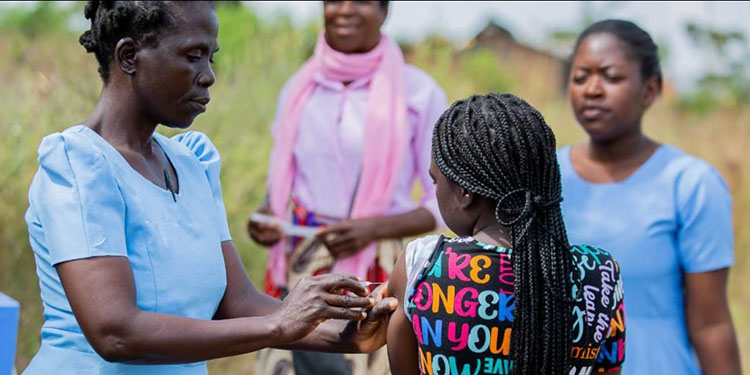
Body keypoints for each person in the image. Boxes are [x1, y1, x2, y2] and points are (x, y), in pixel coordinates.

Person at [22, 2, 395, 374]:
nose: (208, 76)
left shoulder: (191, 164)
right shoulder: (80, 166)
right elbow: (115, 333)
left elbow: (238, 303)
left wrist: (353, 334)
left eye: (210, 58)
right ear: (130, 55)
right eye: (193, 56)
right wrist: (279, 323)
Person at [247, 1, 446, 374]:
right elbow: (289, 184)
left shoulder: (419, 93)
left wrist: (372, 229)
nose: (345, 10)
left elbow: (440, 203)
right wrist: (268, 212)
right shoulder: (298, 90)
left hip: (381, 275)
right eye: (334, 0)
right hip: (304, 267)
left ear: (385, 11)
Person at [386, 93, 626, 375]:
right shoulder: (600, 272)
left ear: (464, 192)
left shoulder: (423, 264)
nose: (435, 190)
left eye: (436, 181)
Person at [559, 19, 742, 374]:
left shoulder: (690, 184)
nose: (592, 89)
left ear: (650, 89)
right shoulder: (545, 178)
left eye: (611, 77)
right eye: (580, 77)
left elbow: (711, 324)